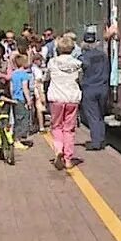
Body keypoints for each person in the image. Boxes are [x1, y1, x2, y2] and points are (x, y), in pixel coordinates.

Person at [45, 35, 82, 170]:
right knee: (69, 129)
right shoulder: (77, 64)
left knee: (56, 126)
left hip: (56, 98)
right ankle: (68, 159)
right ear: (72, 49)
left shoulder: (52, 62)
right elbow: (80, 79)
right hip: (72, 98)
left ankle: (58, 149)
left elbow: (47, 77)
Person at [79, 29, 111, 151]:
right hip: (102, 88)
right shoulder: (103, 55)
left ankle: (96, 142)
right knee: (100, 115)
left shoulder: (84, 57)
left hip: (89, 88)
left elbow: (81, 73)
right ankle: (101, 138)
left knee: (93, 116)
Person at [9, 52, 35, 146]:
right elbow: (25, 88)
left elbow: (11, 88)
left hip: (15, 99)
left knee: (16, 119)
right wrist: (29, 100)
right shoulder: (24, 75)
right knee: (23, 119)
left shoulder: (13, 74)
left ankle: (16, 138)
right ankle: (17, 140)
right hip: (21, 99)